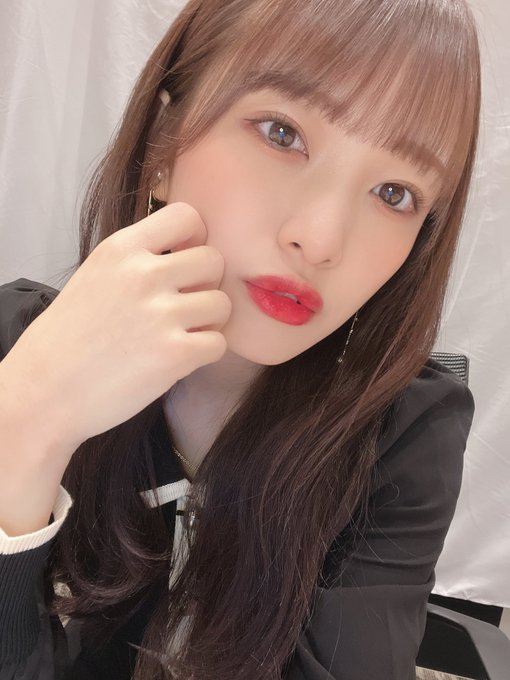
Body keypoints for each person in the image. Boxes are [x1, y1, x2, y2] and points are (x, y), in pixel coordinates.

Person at [0, 0, 481, 678]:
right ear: (163, 141)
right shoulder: (19, 350)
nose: (320, 239)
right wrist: (26, 426)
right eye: (282, 133)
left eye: (395, 193)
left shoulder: (401, 432)